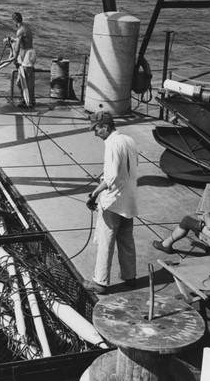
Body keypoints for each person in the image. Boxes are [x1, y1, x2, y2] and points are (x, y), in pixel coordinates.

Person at [83, 111, 139, 295]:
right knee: (126, 239)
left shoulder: (111, 144)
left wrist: (94, 194)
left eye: (96, 129)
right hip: (129, 199)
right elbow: (129, 167)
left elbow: (112, 176)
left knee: (106, 241)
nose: (95, 134)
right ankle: (130, 276)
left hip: (113, 202)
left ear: (105, 127)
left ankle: (100, 282)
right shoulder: (128, 140)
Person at [7, 12, 36, 108]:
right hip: (28, 53)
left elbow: (17, 47)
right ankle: (26, 99)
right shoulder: (26, 28)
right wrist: (12, 39)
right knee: (20, 81)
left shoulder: (20, 30)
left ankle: (30, 102)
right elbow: (20, 41)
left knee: (27, 80)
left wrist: (14, 58)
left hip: (28, 55)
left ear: (14, 21)